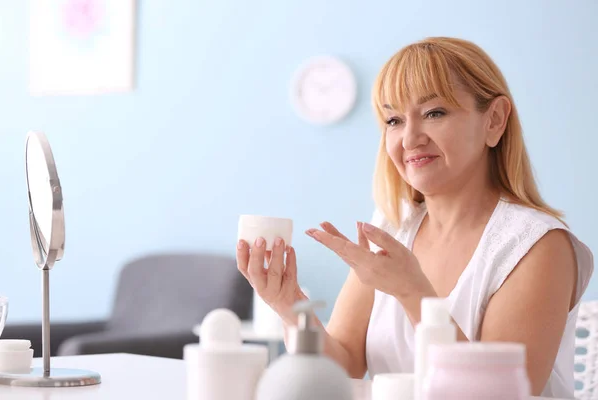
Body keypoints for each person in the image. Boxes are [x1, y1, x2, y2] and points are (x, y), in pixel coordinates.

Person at [236, 36, 594, 398]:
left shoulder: (538, 246)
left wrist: (412, 292)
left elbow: (501, 393)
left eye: (434, 113)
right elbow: (343, 365)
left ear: (495, 120)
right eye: (393, 120)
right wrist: (289, 305)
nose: (409, 139)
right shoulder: (394, 227)